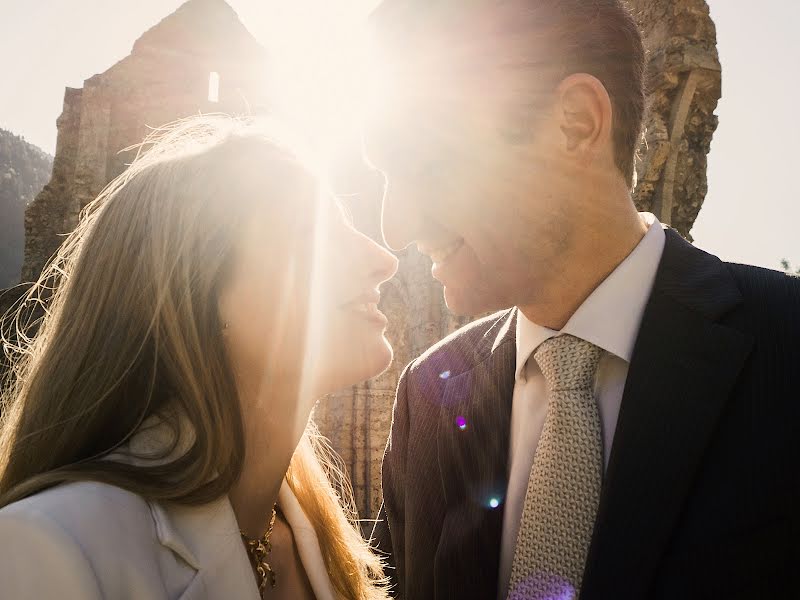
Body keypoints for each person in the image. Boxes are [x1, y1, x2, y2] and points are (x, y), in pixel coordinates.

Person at [366, 1, 800, 599]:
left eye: (425, 163)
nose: (394, 226)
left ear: (577, 122)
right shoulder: (426, 399)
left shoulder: (787, 346)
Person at [0, 115, 398, 600]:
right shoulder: (52, 548)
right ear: (194, 290)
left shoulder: (323, 545)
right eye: (315, 234)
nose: (384, 260)